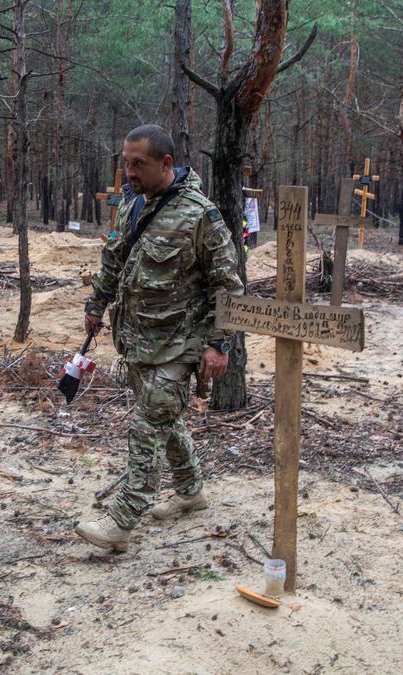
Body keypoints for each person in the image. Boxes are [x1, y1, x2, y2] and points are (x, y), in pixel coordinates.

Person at [75, 124, 243, 552]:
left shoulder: (200, 216)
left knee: (148, 425)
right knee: (166, 421)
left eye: (138, 164)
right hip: (137, 341)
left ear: (166, 164)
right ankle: (190, 491)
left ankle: (122, 521)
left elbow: (229, 287)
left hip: (180, 344)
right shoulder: (133, 207)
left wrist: (218, 344)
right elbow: (114, 261)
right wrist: (96, 307)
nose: (129, 172)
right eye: (125, 163)